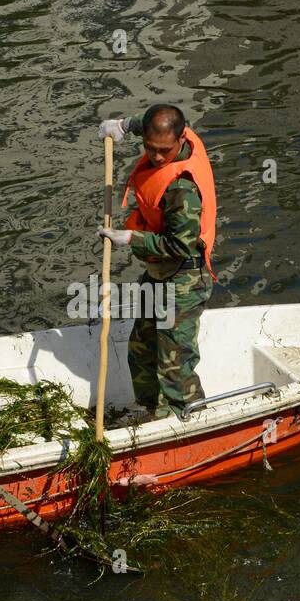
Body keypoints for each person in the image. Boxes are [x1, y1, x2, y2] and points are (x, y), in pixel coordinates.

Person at [97, 105, 217, 418]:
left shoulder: (182, 189)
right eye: (150, 149)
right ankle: (149, 408)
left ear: (181, 138)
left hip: (183, 280)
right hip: (159, 274)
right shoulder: (165, 131)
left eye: (164, 151)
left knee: (174, 362)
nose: (157, 157)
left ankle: (191, 416)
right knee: (141, 347)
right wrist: (123, 125)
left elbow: (179, 245)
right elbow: (148, 123)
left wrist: (129, 239)